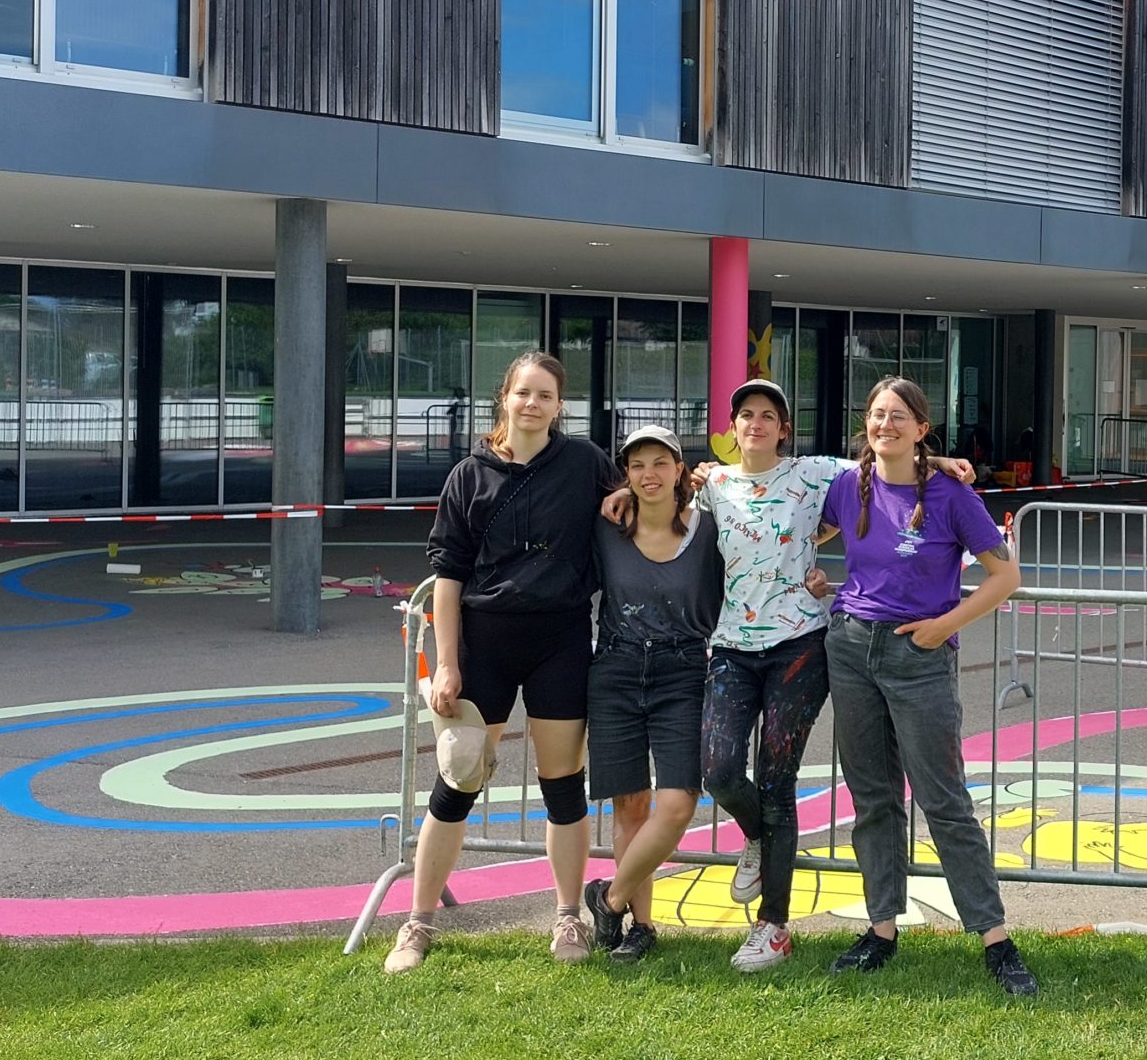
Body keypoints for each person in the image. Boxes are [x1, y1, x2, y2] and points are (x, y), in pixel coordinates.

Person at [595, 378, 973, 973]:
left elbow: (887, 455)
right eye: (746, 415)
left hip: (800, 646)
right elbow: (660, 493)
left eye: (768, 416)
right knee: (718, 769)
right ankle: (755, 835)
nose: (756, 424)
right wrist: (621, 494)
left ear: (783, 428)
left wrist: (941, 461)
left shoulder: (816, 473)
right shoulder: (712, 483)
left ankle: (774, 925)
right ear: (731, 428)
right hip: (731, 649)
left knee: (777, 779)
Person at [388, 352, 618, 973]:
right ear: (505, 399)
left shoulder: (585, 464)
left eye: (545, 395)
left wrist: (697, 481)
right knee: (457, 781)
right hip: (484, 643)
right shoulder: (469, 475)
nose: (533, 404)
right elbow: (449, 575)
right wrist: (447, 664)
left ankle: (568, 916)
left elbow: (641, 498)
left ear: (558, 405)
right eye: (523, 393)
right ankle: (417, 924)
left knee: (563, 788)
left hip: (561, 639)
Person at [819, 376, 1034, 995]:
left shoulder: (948, 494)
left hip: (919, 657)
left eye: (898, 417)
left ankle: (994, 938)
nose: (884, 425)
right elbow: (795, 520)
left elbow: (1004, 576)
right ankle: (881, 929)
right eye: (876, 415)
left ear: (921, 427)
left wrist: (943, 628)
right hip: (853, 648)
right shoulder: (845, 485)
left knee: (944, 799)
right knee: (873, 797)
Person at [578, 424, 723, 964]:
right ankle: (641, 926)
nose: (648, 474)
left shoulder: (709, 530)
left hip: (684, 671)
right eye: (637, 465)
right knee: (631, 804)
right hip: (614, 668)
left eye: (661, 462)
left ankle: (608, 899)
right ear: (626, 474)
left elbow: (789, 527)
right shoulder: (607, 526)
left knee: (679, 801)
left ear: (681, 470)